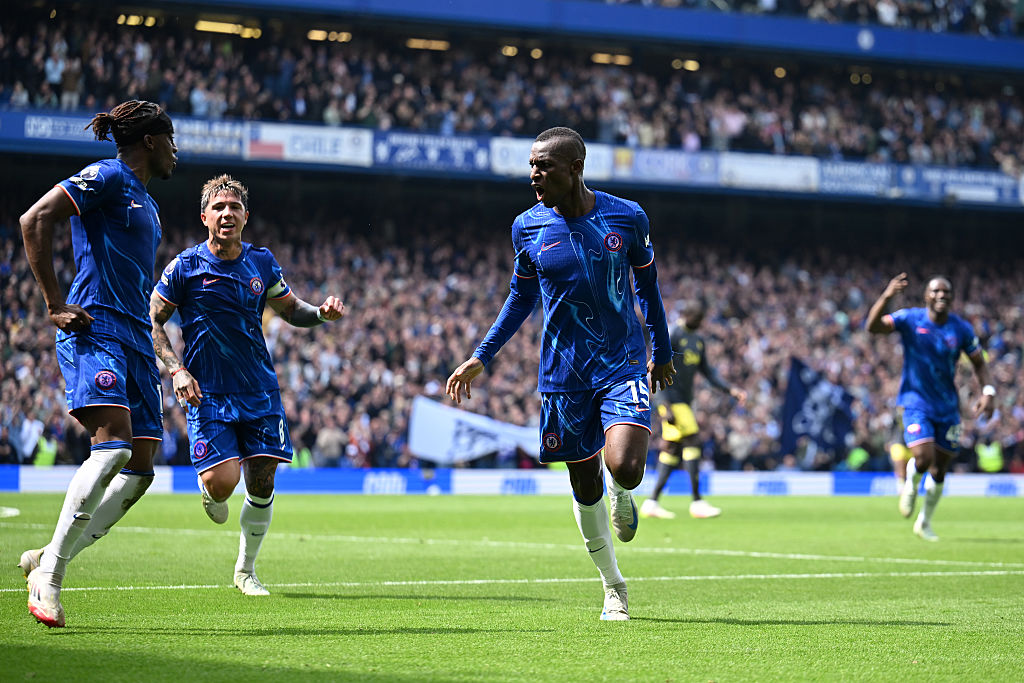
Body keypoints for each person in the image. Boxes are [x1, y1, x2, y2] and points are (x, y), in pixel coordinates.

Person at [446, 127, 675, 621]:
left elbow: (649, 289)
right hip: (564, 374)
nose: (534, 175)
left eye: (544, 166)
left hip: (624, 362)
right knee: (583, 483)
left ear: (575, 168)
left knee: (626, 467)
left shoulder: (627, 217)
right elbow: (521, 297)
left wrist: (664, 350)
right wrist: (482, 356)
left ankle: (623, 488)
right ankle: (613, 585)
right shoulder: (526, 227)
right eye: (531, 166)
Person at [18, 100, 177, 627]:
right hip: (97, 329)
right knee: (112, 449)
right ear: (151, 141)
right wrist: (54, 303)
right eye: (171, 139)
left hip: (135, 338)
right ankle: (51, 578)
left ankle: (47, 555)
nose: (177, 150)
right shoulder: (106, 176)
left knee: (141, 467)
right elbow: (34, 219)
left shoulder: (149, 206)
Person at [150, 174, 345, 596]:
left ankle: (245, 570)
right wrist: (176, 369)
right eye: (219, 207)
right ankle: (211, 490)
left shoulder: (261, 262)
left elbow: (292, 311)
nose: (227, 214)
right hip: (208, 393)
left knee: (262, 481)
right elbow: (153, 321)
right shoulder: (184, 267)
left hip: (259, 390)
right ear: (205, 217)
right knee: (223, 484)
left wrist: (322, 314)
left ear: (245, 216)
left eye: (234, 207)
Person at [866, 273, 995, 541]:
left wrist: (988, 392)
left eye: (946, 292)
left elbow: (979, 363)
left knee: (939, 470)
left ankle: (924, 522)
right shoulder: (910, 319)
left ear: (952, 298)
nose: (941, 296)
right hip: (915, 402)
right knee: (923, 459)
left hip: (948, 407)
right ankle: (910, 486)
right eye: (936, 291)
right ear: (927, 296)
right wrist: (887, 296)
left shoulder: (960, 329)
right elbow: (873, 327)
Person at [642, 300, 746, 520]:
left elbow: (708, 371)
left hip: (684, 401)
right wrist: (663, 404)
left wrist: (731, 390)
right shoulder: (673, 335)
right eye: (697, 319)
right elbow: (656, 368)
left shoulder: (698, 340)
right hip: (672, 400)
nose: (700, 323)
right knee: (693, 440)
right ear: (687, 316)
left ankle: (652, 502)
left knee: (671, 450)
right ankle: (697, 501)